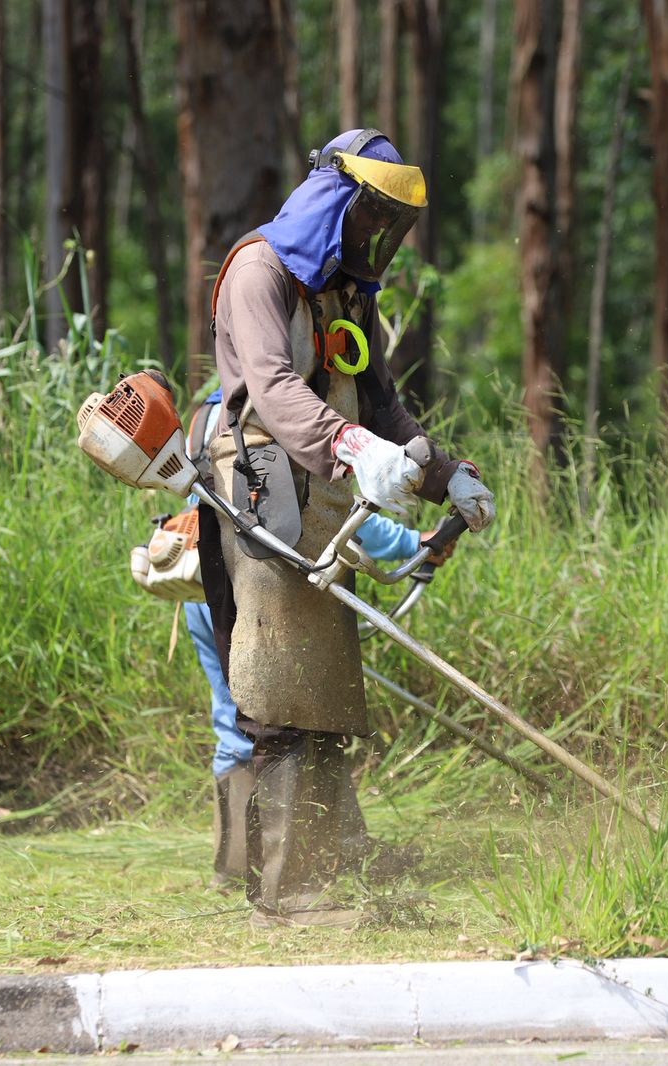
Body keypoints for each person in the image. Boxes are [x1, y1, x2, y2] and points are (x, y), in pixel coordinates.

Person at [199, 128, 495, 928]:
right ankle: (289, 895)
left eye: (390, 225)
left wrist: (446, 477)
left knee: (323, 689)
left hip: (326, 494)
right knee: (276, 694)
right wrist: (350, 444)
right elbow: (268, 383)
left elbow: (385, 404)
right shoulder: (259, 271)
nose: (379, 238)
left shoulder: (348, 291)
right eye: (371, 216)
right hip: (259, 488)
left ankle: (325, 861)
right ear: (334, 197)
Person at [180, 390, 451, 893]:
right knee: (296, 715)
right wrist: (417, 543)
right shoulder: (281, 414)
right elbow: (327, 523)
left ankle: (235, 864)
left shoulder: (208, 416)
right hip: (256, 584)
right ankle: (310, 862)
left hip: (205, 584)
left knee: (234, 715)